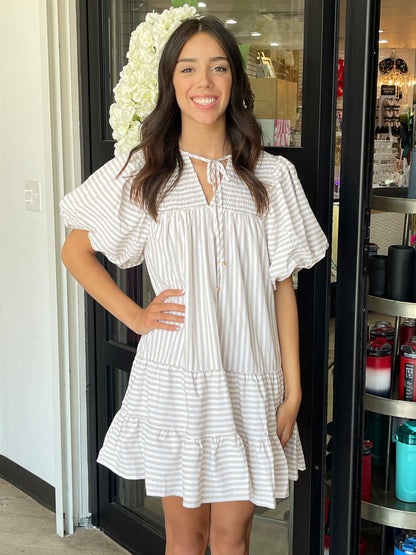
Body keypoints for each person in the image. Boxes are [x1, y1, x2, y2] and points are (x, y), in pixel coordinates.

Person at [60, 15, 328, 555]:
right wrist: (135, 316)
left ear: (234, 83)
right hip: (175, 378)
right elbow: (75, 250)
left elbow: (283, 289)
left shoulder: (272, 177)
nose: (204, 82)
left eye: (218, 67)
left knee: (233, 538)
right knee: (186, 537)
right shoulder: (144, 170)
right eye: (189, 68)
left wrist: (294, 390)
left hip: (252, 379)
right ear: (171, 82)